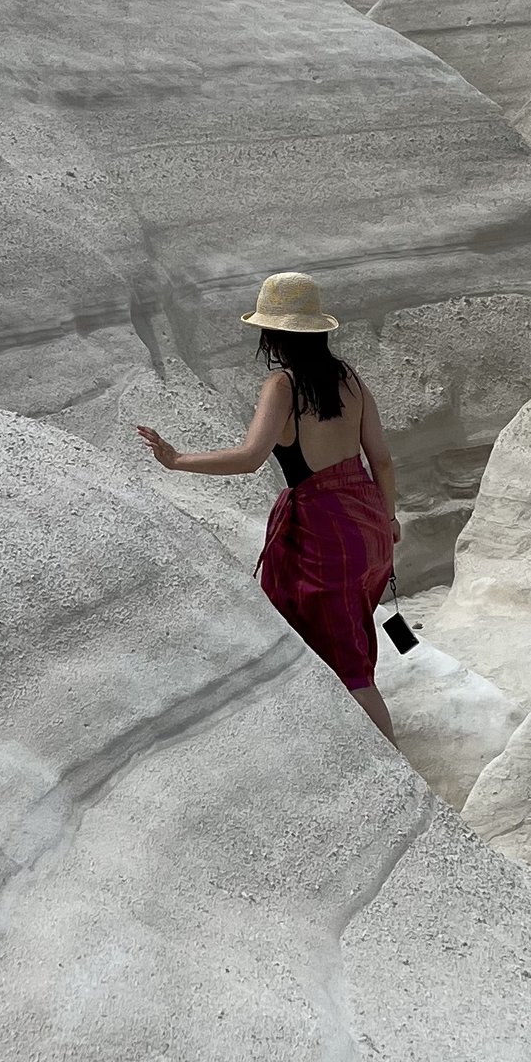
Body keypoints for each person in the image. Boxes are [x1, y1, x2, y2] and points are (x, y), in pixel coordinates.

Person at [136, 273, 400, 737]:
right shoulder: (349, 377)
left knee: (346, 663)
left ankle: (392, 758)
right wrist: (390, 518)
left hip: (324, 535)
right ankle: (338, 734)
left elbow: (250, 457)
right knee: (353, 643)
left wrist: (176, 460)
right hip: (369, 526)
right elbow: (381, 460)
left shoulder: (282, 386)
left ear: (272, 334)